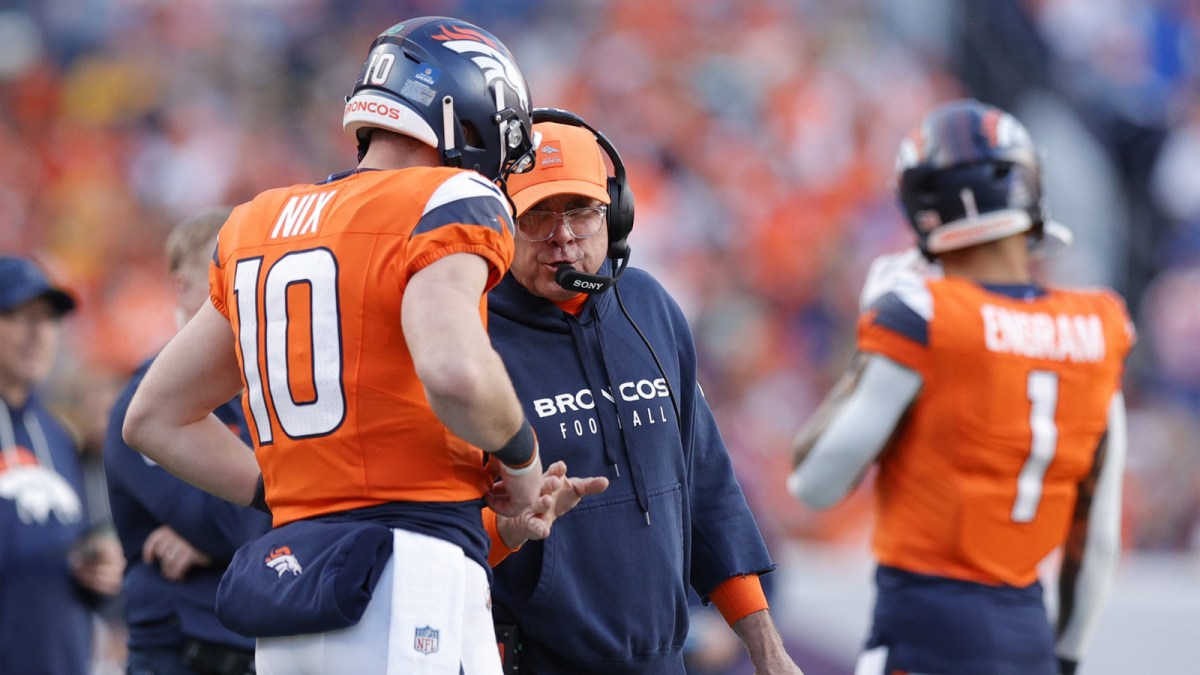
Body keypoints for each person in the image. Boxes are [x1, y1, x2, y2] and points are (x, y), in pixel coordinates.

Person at [121, 16, 577, 675]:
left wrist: (283, 493)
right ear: (465, 115)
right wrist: (522, 464)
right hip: (409, 571)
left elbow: (155, 416)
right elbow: (455, 371)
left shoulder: (256, 220)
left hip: (294, 584)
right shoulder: (451, 196)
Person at [787, 99, 1134, 675]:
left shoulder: (924, 314)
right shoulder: (1100, 326)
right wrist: (1064, 657)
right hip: (1027, 633)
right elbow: (1095, 542)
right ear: (1027, 188)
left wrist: (872, 341)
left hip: (925, 630)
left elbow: (814, 483)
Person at [484, 110, 802, 674]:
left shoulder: (650, 308)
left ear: (617, 215)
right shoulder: (471, 337)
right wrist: (512, 528)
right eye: (536, 215)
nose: (563, 237)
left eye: (581, 212)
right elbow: (439, 529)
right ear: (498, 225)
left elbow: (706, 488)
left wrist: (766, 647)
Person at [104, 207, 272, 675]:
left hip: (257, 639)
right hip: (179, 649)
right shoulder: (144, 399)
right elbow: (233, 522)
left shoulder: (267, 385)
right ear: (181, 286)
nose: (243, 289)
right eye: (225, 272)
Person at [0, 254, 125, 675]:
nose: (38, 334)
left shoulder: (57, 435)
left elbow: (70, 549)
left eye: (50, 320)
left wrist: (100, 570)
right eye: (19, 316)